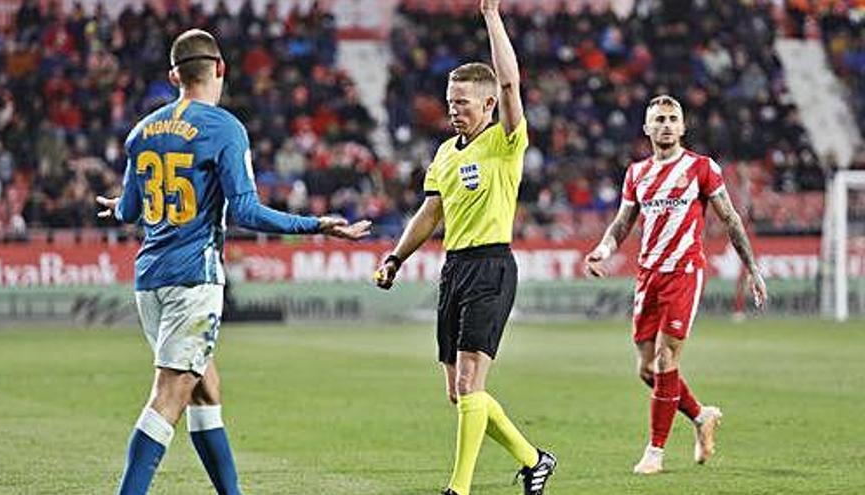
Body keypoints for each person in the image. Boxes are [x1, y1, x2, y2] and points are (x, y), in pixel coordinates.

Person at [95, 29, 371, 495]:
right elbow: (244, 211)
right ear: (220, 68)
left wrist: (116, 207)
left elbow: (128, 210)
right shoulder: (224, 128)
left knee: (206, 389)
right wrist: (316, 224)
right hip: (193, 281)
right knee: (168, 398)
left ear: (173, 75)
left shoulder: (141, 132)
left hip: (150, 282)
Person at [373, 2, 556, 494]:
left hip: (491, 265)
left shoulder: (504, 142)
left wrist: (491, 16)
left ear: (488, 106)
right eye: (451, 102)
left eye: (464, 103)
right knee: (459, 393)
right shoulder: (443, 154)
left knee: (472, 381)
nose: (454, 110)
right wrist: (395, 256)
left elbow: (513, 83)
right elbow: (431, 213)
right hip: (455, 268)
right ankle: (534, 459)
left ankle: (459, 489)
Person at [584, 95, 768, 474]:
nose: (666, 125)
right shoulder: (636, 173)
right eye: (659, 119)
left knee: (666, 360)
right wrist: (603, 250)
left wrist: (751, 267)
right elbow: (623, 223)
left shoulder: (701, 168)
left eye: (673, 119)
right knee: (647, 370)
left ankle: (655, 450)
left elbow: (731, 219)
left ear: (682, 127)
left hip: (683, 273)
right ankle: (701, 417)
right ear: (647, 128)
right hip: (647, 274)